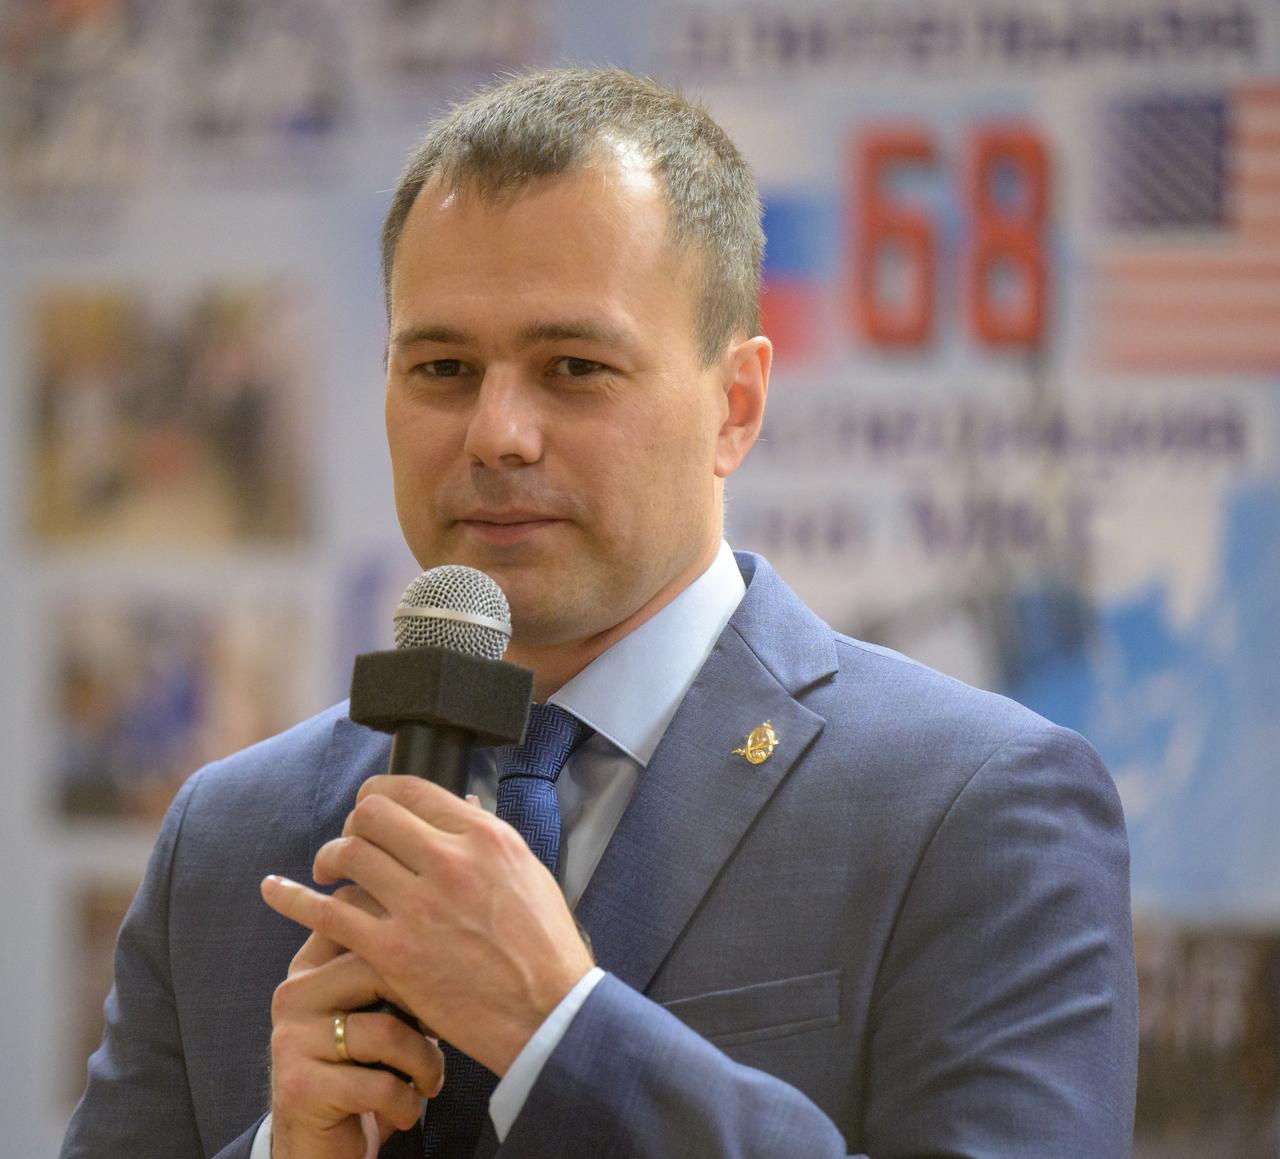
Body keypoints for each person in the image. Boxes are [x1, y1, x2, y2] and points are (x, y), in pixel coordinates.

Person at [62, 67, 1138, 1159]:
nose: (496, 434)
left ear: (736, 405)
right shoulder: (228, 835)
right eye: (440, 366)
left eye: (573, 366)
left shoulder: (976, 806)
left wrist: (560, 1037)